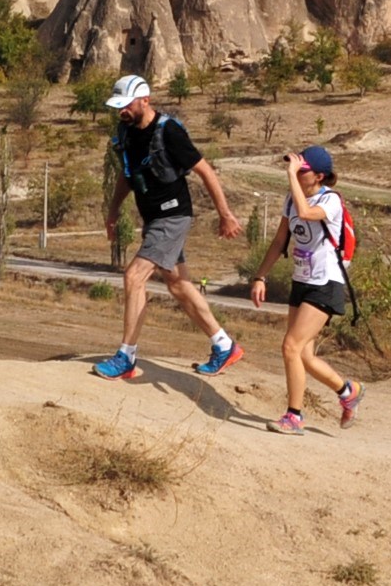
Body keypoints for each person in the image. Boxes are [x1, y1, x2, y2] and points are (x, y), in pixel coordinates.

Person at [91, 75, 244, 382]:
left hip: (172, 217)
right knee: (178, 285)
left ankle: (126, 356)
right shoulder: (126, 131)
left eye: (126, 105)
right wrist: (112, 211)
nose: (121, 111)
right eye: (117, 106)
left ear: (145, 100)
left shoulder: (169, 131)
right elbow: (127, 175)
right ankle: (224, 345)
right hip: (153, 220)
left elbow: (205, 171)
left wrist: (225, 215)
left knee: (134, 276)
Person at [247, 145, 359, 434]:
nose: (296, 172)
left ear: (319, 176)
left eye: (302, 170)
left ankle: (294, 417)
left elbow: (308, 213)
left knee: (290, 346)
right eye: (295, 167)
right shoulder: (290, 200)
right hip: (302, 280)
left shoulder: (331, 200)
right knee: (304, 356)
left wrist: (290, 177)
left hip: (326, 282)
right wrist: (260, 277)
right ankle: (348, 392)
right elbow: (279, 241)